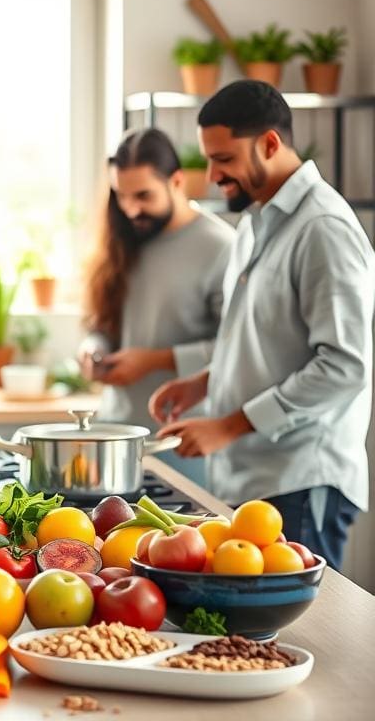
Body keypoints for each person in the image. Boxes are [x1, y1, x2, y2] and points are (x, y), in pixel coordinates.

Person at [151, 80, 374, 571]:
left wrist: (228, 426)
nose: (211, 176)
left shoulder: (323, 230)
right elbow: (264, 340)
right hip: (253, 483)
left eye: (224, 159)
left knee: (307, 641)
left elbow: (344, 366)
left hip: (299, 483)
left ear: (270, 144)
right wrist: (204, 384)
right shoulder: (255, 221)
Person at [79, 128, 235, 484]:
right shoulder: (123, 239)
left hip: (181, 443)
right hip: (113, 436)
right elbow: (102, 324)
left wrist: (154, 360)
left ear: (177, 182)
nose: (131, 208)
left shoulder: (221, 247)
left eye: (143, 195)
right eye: (121, 196)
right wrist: (94, 348)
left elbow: (238, 349)